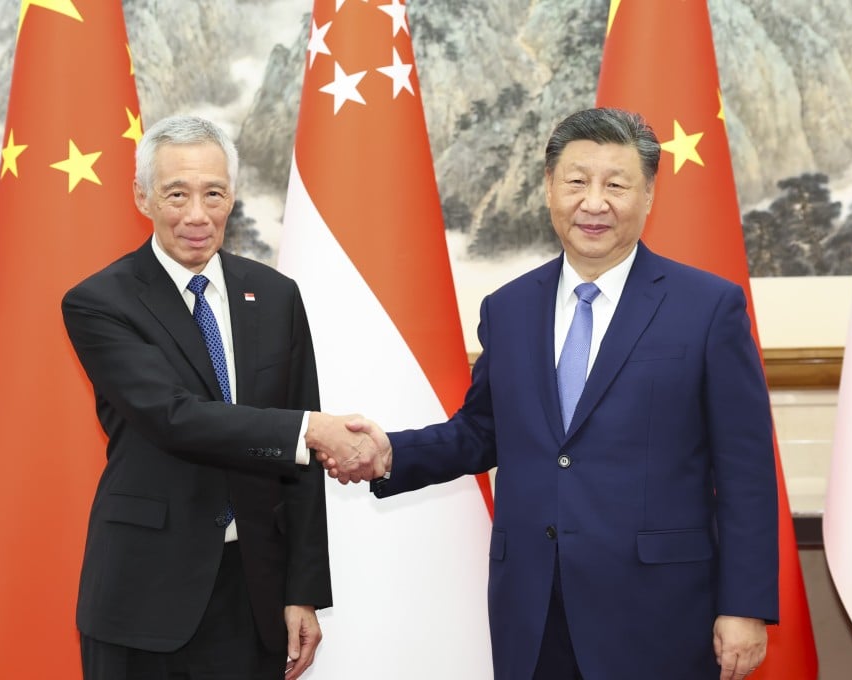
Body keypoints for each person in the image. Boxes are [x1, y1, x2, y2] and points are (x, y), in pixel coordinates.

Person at [320, 108, 779, 680]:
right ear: (548, 188)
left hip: (657, 609)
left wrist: (745, 605)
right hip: (534, 607)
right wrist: (390, 452)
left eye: (616, 184)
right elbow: (482, 430)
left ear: (649, 194)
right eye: (577, 181)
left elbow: (747, 470)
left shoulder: (708, 307)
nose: (594, 202)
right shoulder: (510, 308)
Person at [62, 115, 367, 680]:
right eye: (177, 194)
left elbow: (299, 469)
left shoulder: (276, 296)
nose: (197, 215)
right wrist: (308, 431)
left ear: (233, 195)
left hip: (252, 591)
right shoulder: (99, 302)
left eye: (214, 193)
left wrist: (302, 591)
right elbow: (174, 417)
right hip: (144, 596)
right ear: (143, 196)